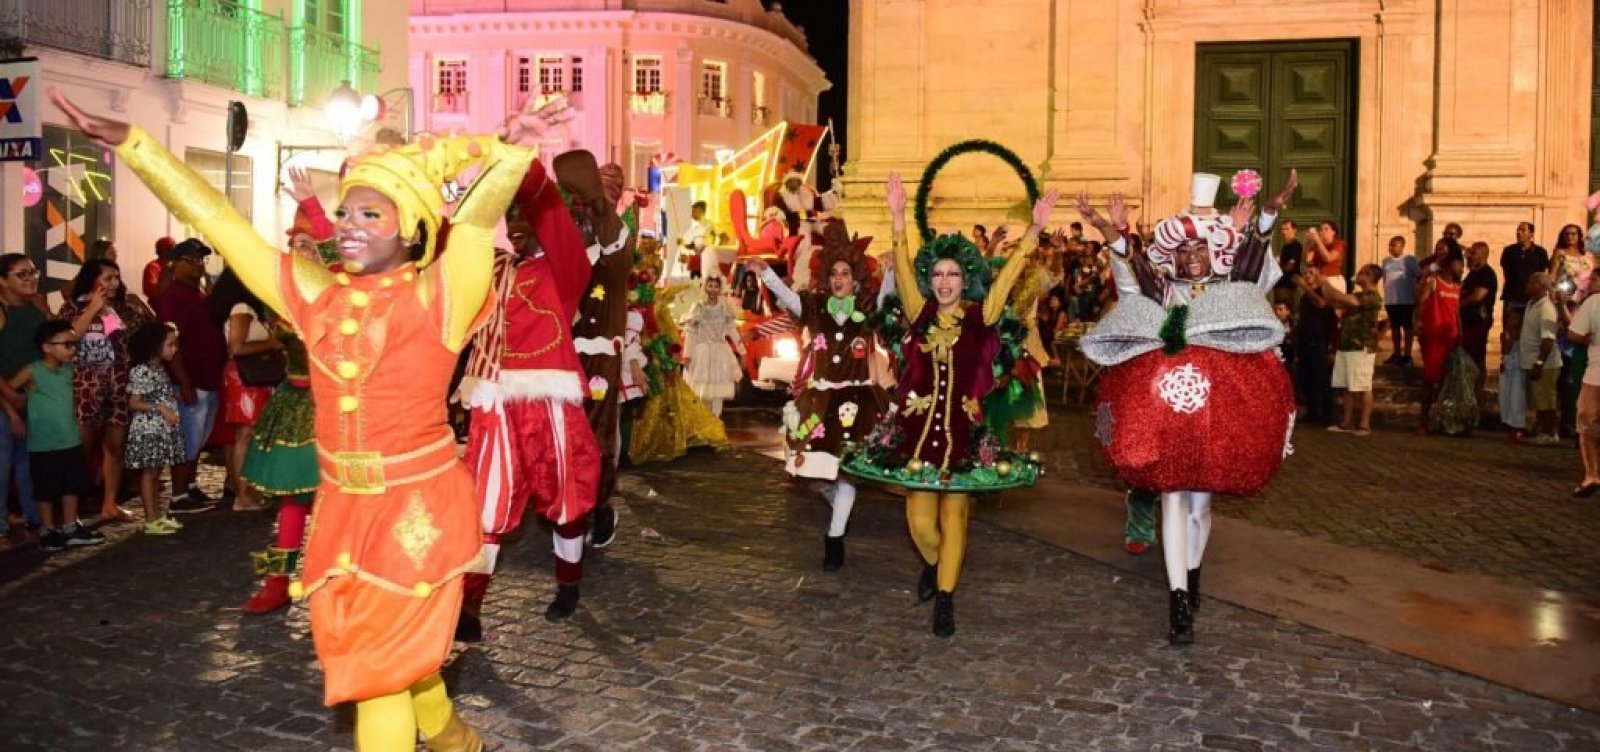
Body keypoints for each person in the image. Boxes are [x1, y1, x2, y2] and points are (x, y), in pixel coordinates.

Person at [50, 85, 568, 750]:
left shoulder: (442, 295)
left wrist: (509, 151)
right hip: (345, 507)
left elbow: (471, 225)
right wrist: (135, 145)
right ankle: (457, 741)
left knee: (379, 676)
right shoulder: (316, 295)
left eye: (370, 214)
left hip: (415, 506)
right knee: (386, 660)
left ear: (411, 230)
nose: (348, 223)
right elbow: (225, 226)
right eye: (345, 211)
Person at [1079, 169, 1298, 646]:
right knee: (1173, 497)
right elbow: (1131, 274)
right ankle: (1177, 597)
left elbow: (1254, 263)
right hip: (1169, 415)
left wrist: (1268, 213)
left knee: (1199, 507)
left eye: (1200, 249)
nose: (1192, 258)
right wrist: (1110, 230)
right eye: (1183, 250)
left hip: (1216, 418)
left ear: (1214, 253)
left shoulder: (1230, 288)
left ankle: (1192, 574)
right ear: (1172, 256)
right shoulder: (1163, 291)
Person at [841, 173, 1056, 639]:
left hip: (965, 431)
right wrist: (897, 217)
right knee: (920, 522)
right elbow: (899, 261)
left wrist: (1034, 234)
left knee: (955, 513)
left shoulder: (984, 316)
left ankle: (945, 597)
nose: (944, 281)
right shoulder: (918, 312)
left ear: (966, 279)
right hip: (916, 434)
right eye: (938, 274)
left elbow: (1011, 277)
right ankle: (938, 566)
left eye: (953, 274)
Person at [457, 159, 599, 632]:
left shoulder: (567, 270)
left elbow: (553, 217)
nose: (515, 226)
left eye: (524, 217)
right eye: (510, 216)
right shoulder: (492, 268)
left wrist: (526, 167)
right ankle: (469, 608)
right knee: (486, 503)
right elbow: (446, 241)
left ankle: (568, 583)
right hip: (493, 402)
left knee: (565, 496)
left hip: (548, 403)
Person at [747, 218, 886, 571]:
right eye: (834, 272)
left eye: (845, 272)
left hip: (856, 405)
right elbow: (790, 299)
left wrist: (895, 266)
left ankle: (835, 538)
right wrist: (766, 273)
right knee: (809, 474)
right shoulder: (816, 306)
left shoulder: (868, 310)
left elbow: (888, 297)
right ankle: (838, 508)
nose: (839, 278)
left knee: (846, 474)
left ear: (855, 277)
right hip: (820, 402)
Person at [240, 174, 337, 614]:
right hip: (295, 403)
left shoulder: (341, 293)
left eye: (314, 245)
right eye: (298, 244)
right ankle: (278, 581)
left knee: (339, 501)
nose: (306, 251)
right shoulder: (280, 296)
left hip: (339, 408)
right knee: (292, 502)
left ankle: (339, 582)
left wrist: (314, 207)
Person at [566, 156, 633, 552]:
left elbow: (615, 247)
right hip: (561, 354)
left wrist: (601, 208)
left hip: (601, 355)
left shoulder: (616, 241)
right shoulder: (572, 240)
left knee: (597, 433)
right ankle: (570, 504)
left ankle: (600, 505)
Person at [59, 258, 155, 521]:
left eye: (116, 278)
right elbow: (68, 336)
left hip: (118, 386)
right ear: (93, 280)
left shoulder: (122, 310)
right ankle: (71, 511)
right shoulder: (72, 308)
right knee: (82, 449)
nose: (114, 283)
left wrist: (140, 306)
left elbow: (152, 332)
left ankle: (109, 504)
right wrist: (93, 308)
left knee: (115, 447)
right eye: (107, 278)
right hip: (85, 389)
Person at [5, 320, 104, 551]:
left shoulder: (70, 370)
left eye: (73, 344)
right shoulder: (32, 370)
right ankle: (47, 530)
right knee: (46, 489)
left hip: (70, 438)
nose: (72, 349)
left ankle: (70, 527)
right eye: (67, 344)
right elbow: (7, 390)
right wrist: (14, 416)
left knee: (71, 485)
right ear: (46, 347)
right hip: (43, 443)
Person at [154, 239, 228, 512]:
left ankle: (191, 486)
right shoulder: (174, 295)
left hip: (208, 377)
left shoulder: (195, 292)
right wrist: (183, 380)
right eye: (192, 259)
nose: (198, 264)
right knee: (187, 438)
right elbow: (170, 343)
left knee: (199, 438)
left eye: (201, 259)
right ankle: (178, 495)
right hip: (191, 379)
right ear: (176, 263)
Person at [212, 269, 277, 512]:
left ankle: (248, 492)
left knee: (249, 436)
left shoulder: (245, 309)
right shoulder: (242, 309)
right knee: (245, 436)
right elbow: (236, 348)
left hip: (250, 377)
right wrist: (272, 343)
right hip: (245, 378)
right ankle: (242, 495)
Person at [122, 322, 187, 536]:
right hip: (149, 428)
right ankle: (151, 517)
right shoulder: (143, 370)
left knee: (156, 472)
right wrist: (159, 407)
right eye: (170, 344)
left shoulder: (157, 368)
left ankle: (157, 516)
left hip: (160, 428)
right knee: (150, 473)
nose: (174, 349)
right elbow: (134, 402)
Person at [0, 254, 46, 546]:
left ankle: (33, 519)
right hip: (7, 399)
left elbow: (55, 344)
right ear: (3, 281)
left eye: (33, 272)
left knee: (27, 464)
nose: (31, 279)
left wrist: (46, 311)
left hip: (31, 399)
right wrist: (9, 400)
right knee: (2, 465)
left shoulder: (34, 308)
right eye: (22, 275)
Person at [1320, 265, 1384, 436]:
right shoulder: (1358, 294)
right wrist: (1323, 286)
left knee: (1364, 386)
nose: (1359, 274)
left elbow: (1344, 298)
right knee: (1347, 385)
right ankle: (1346, 422)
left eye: (1363, 272)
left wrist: (1327, 283)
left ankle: (1364, 424)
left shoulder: (1373, 297)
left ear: (1371, 277)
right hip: (1347, 345)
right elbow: (1334, 300)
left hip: (1362, 346)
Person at [680, 274, 744, 417]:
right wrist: (687, 355)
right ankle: (702, 421)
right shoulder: (698, 307)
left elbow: (732, 330)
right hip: (702, 351)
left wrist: (742, 350)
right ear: (705, 287)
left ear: (720, 288)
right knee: (701, 389)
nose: (713, 289)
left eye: (716, 286)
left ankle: (716, 421)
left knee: (718, 390)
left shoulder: (724, 308)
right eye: (710, 286)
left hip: (720, 352)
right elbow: (691, 332)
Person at [1415, 243, 1463, 434]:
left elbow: (1457, 313)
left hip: (1450, 338)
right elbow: (1420, 301)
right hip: (1434, 338)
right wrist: (1418, 322)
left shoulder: (1457, 287)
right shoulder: (1435, 282)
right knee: (1429, 380)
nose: (1461, 268)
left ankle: (1442, 420)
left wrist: (1460, 334)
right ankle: (1423, 422)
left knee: (1446, 382)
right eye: (1459, 265)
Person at [1565, 270, 1600, 497]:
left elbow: (1575, 334)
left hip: (1596, 373)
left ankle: (1592, 474)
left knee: (1586, 421)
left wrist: (1590, 339)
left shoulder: (1594, 302)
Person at [1520, 272, 1565, 445]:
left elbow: (1548, 339)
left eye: (1531, 282)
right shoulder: (1531, 304)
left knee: (1547, 400)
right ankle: (1541, 429)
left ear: (1541, 286)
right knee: (1539, 399)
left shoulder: (1546, 307)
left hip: (1545, 363)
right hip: (1531, 359)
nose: (1527, 285)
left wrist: (1539, 362)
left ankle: (1550, 432)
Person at [1500, 221, 1550, 360]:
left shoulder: (1540, 252)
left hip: (1532, 301)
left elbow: (1543, 274)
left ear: (1531, 234)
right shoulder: (1509, 251)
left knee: (1530, 331)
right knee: (1509, 331)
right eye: (1518, 230)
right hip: (1513, 297)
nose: (1519, 232)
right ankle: (1507, 359)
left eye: (1523, 230)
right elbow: (1506, 272)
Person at [1293, 269, 1336, 424]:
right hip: (1305, 341)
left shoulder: (1322, 292)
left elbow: (1321, 303)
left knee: (1321, 379)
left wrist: (1305, 287)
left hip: (1319, 342)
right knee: (1306, 378)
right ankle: (1312, 412)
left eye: (1311, 273)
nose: (1307, 276)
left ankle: (1326, 413)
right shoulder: (1304, 298)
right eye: (1305, 274)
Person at [1460, 241, 1499, 412]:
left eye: (1473, 253)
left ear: (1482, 255)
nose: (1469, 257)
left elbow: (1478, 295)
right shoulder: (1473, 273)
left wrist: (1457, 305)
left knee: (1477, 359)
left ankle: (1477, 397)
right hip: (1468, 321)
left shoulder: (1486, 274)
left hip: (1478, 321)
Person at [1381, 236, 1421, 365]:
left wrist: (1416, 294)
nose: (1391, 247)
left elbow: (1419, 275)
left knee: (1407, 328)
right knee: (1395, 328)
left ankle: (1407, 355)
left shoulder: (1409, 260)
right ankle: (1396, 353)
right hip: (1391, 300)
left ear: (1402, 246)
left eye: (1395, 245)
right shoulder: (1386, 261)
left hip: (1406, 300)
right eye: (1390, 245)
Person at [1305, 220, 1348, 292]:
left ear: (1333, 232)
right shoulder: (1317, 246)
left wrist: (1318, 241)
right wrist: (1307, 242)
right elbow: (1306, 259)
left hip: (1333, 280)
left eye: (1326, 229)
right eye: (1321, 229)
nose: (1323, 231)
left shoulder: (1339, 244)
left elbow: (1329, 258)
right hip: (1319, 280)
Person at [1272, 220, 1303, 306]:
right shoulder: (1286, 246)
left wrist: (1277, 268)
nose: (1284, 232)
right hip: (1281, 284)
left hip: (1287, 285)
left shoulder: (1296, 245)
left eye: (1287, 229)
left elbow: (1290, 266)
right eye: (1282, 229)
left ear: (1294, 230)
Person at [683, 200, 709, 279]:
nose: (691, 214)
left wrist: (710, 248)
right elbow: (686, 243)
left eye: (693, 211)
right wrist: (692, 247)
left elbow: (724, 238)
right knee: (694, 282)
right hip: (696, 261)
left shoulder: (710, 225)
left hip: (708, 261)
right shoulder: (694, 227)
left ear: (700, 210)